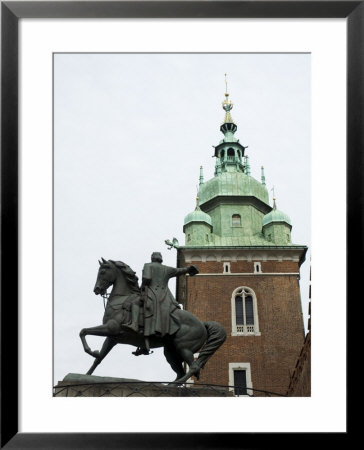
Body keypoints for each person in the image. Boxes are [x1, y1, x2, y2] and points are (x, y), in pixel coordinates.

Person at [125, 252, 198, 339]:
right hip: (165, 296)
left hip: (151, 293)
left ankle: (134, 325)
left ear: (152, 258)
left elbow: (147, 278)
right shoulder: (166, 269)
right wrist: (189, 269)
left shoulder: (148, 265)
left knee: (135, 302)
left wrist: (141, 288)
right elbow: (179, 271)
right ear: (161, 259)